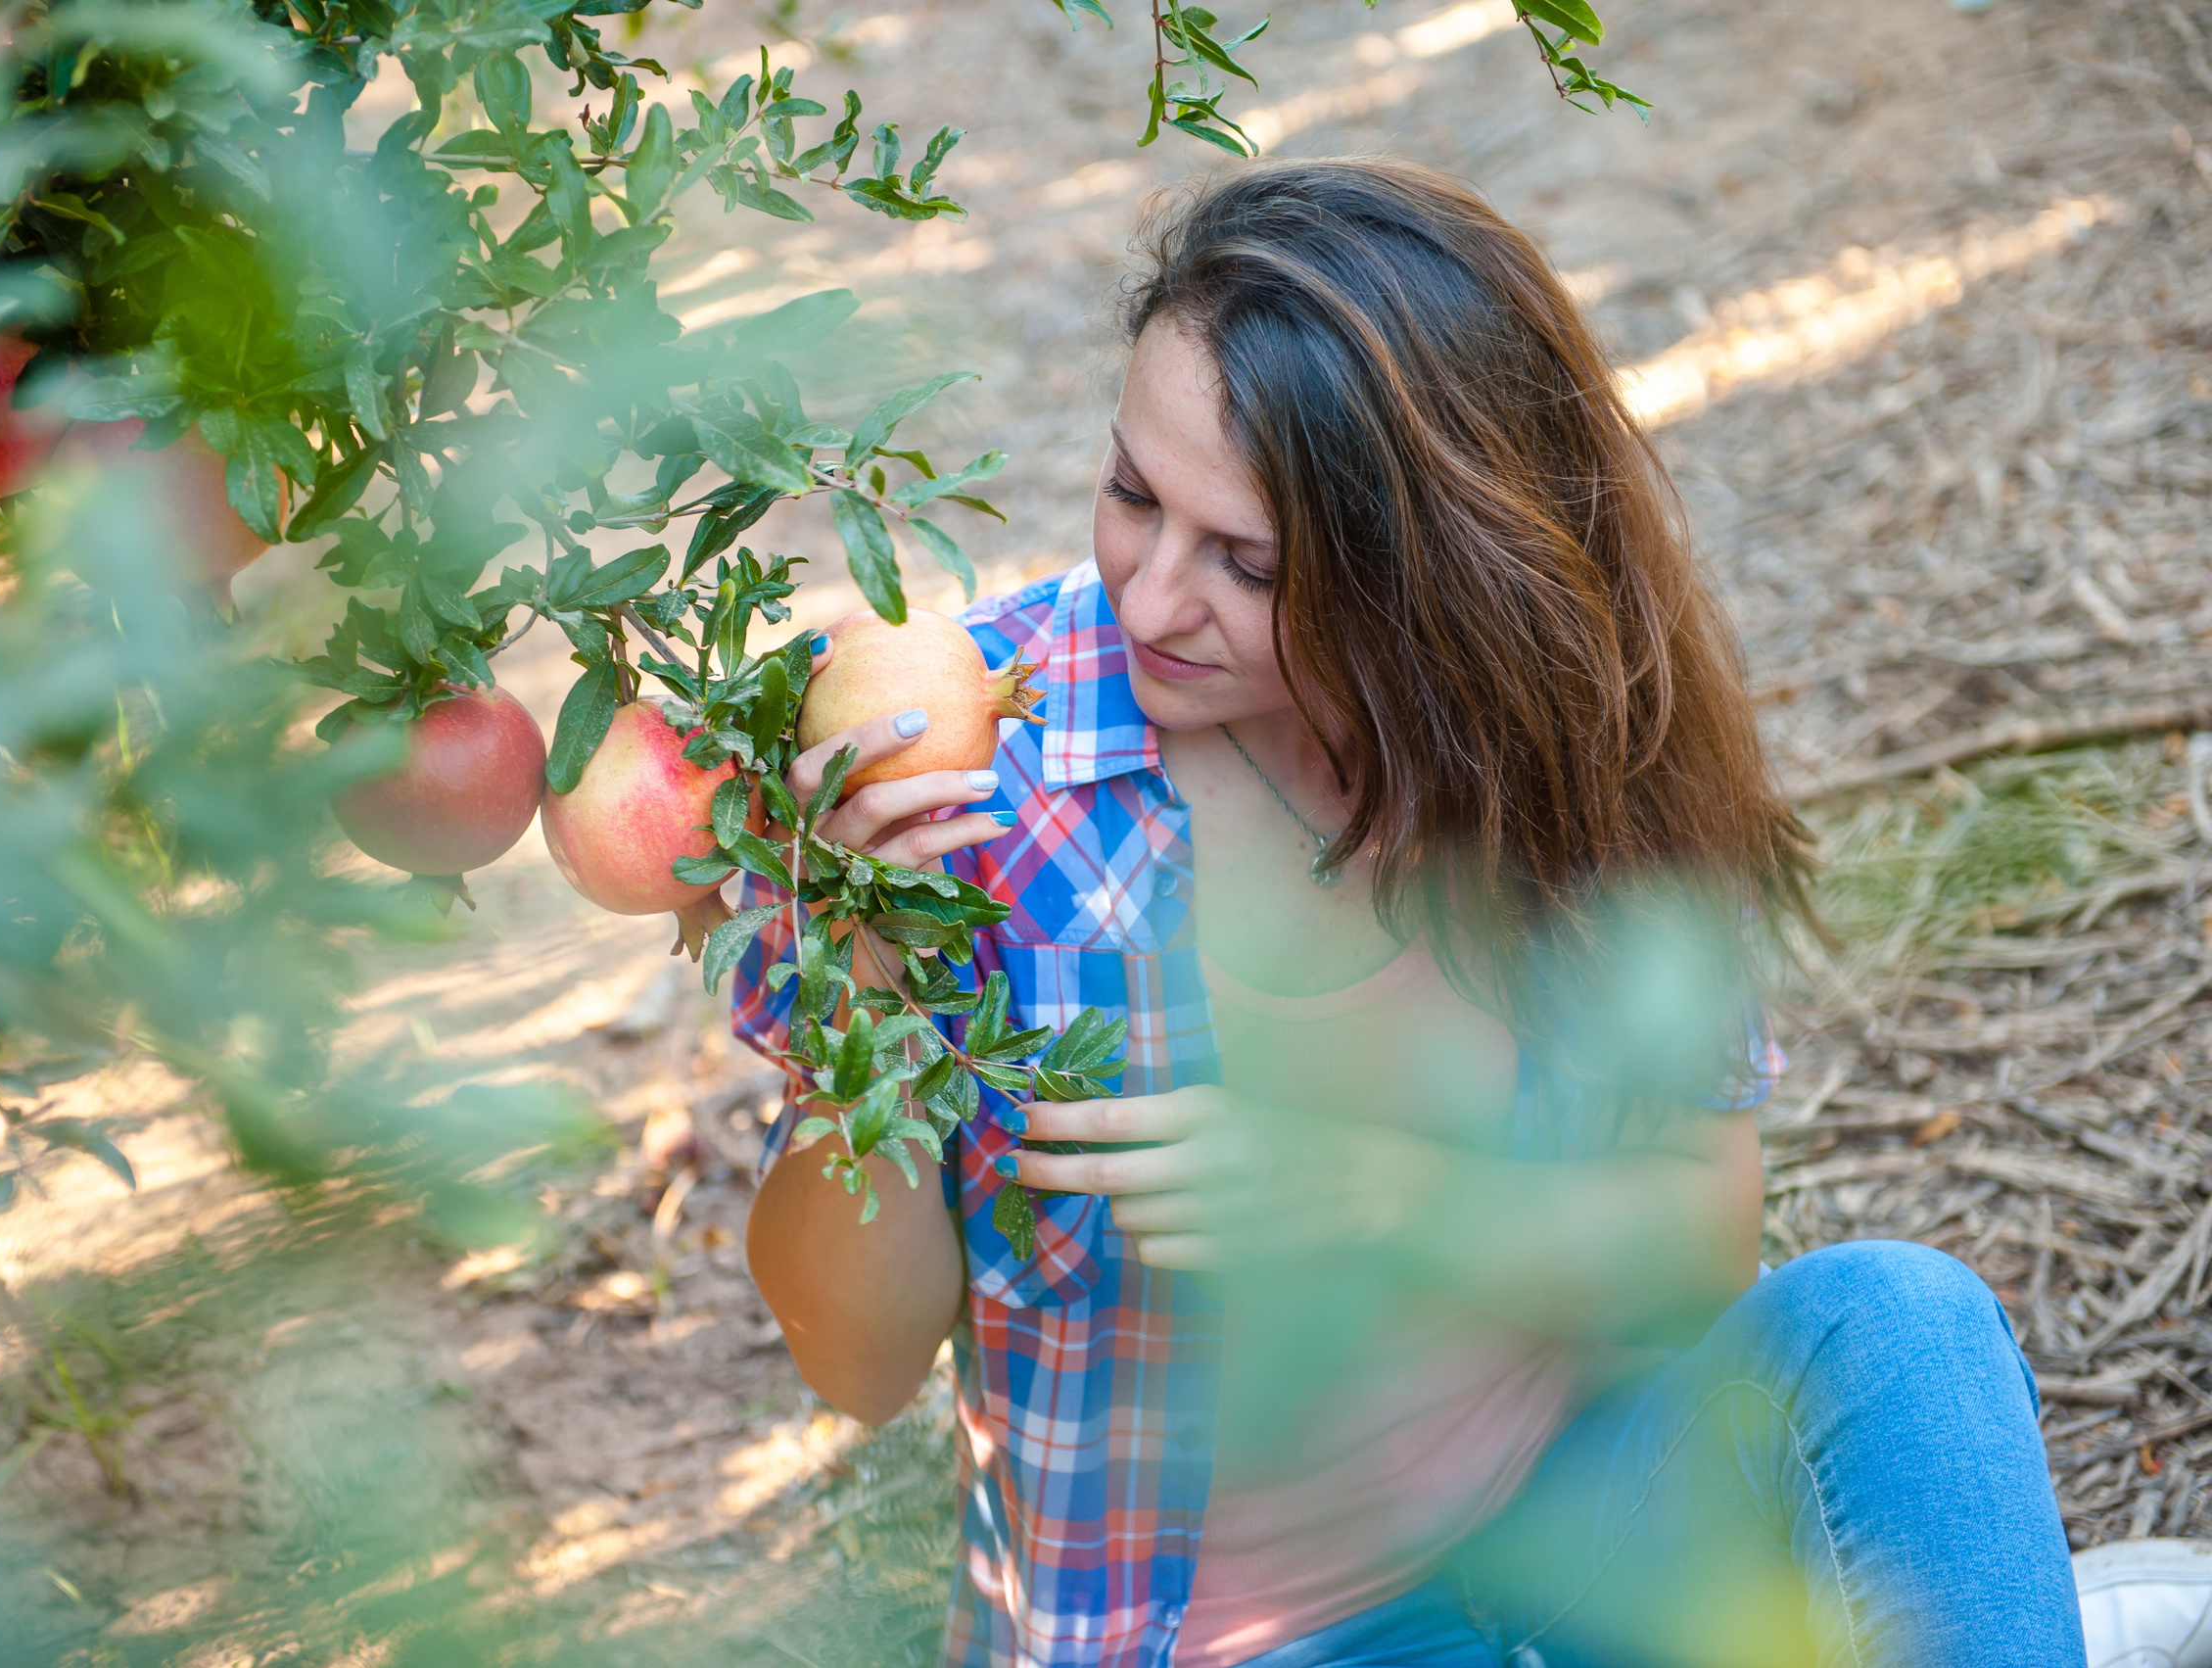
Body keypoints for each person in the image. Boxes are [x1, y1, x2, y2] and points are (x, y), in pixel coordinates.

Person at [732, 159, 2086, 1668]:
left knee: (1899, 1329)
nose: (1150, 597)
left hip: (1582, 1530)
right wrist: (861, 964)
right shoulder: (982, 767)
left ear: (1428, 568)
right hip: (1223, 1638)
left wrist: (1376, 1198)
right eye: (1131, 496)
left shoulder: (1566, 739)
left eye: (1247, 563)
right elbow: (856, 1366)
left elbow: (1693, 1244)